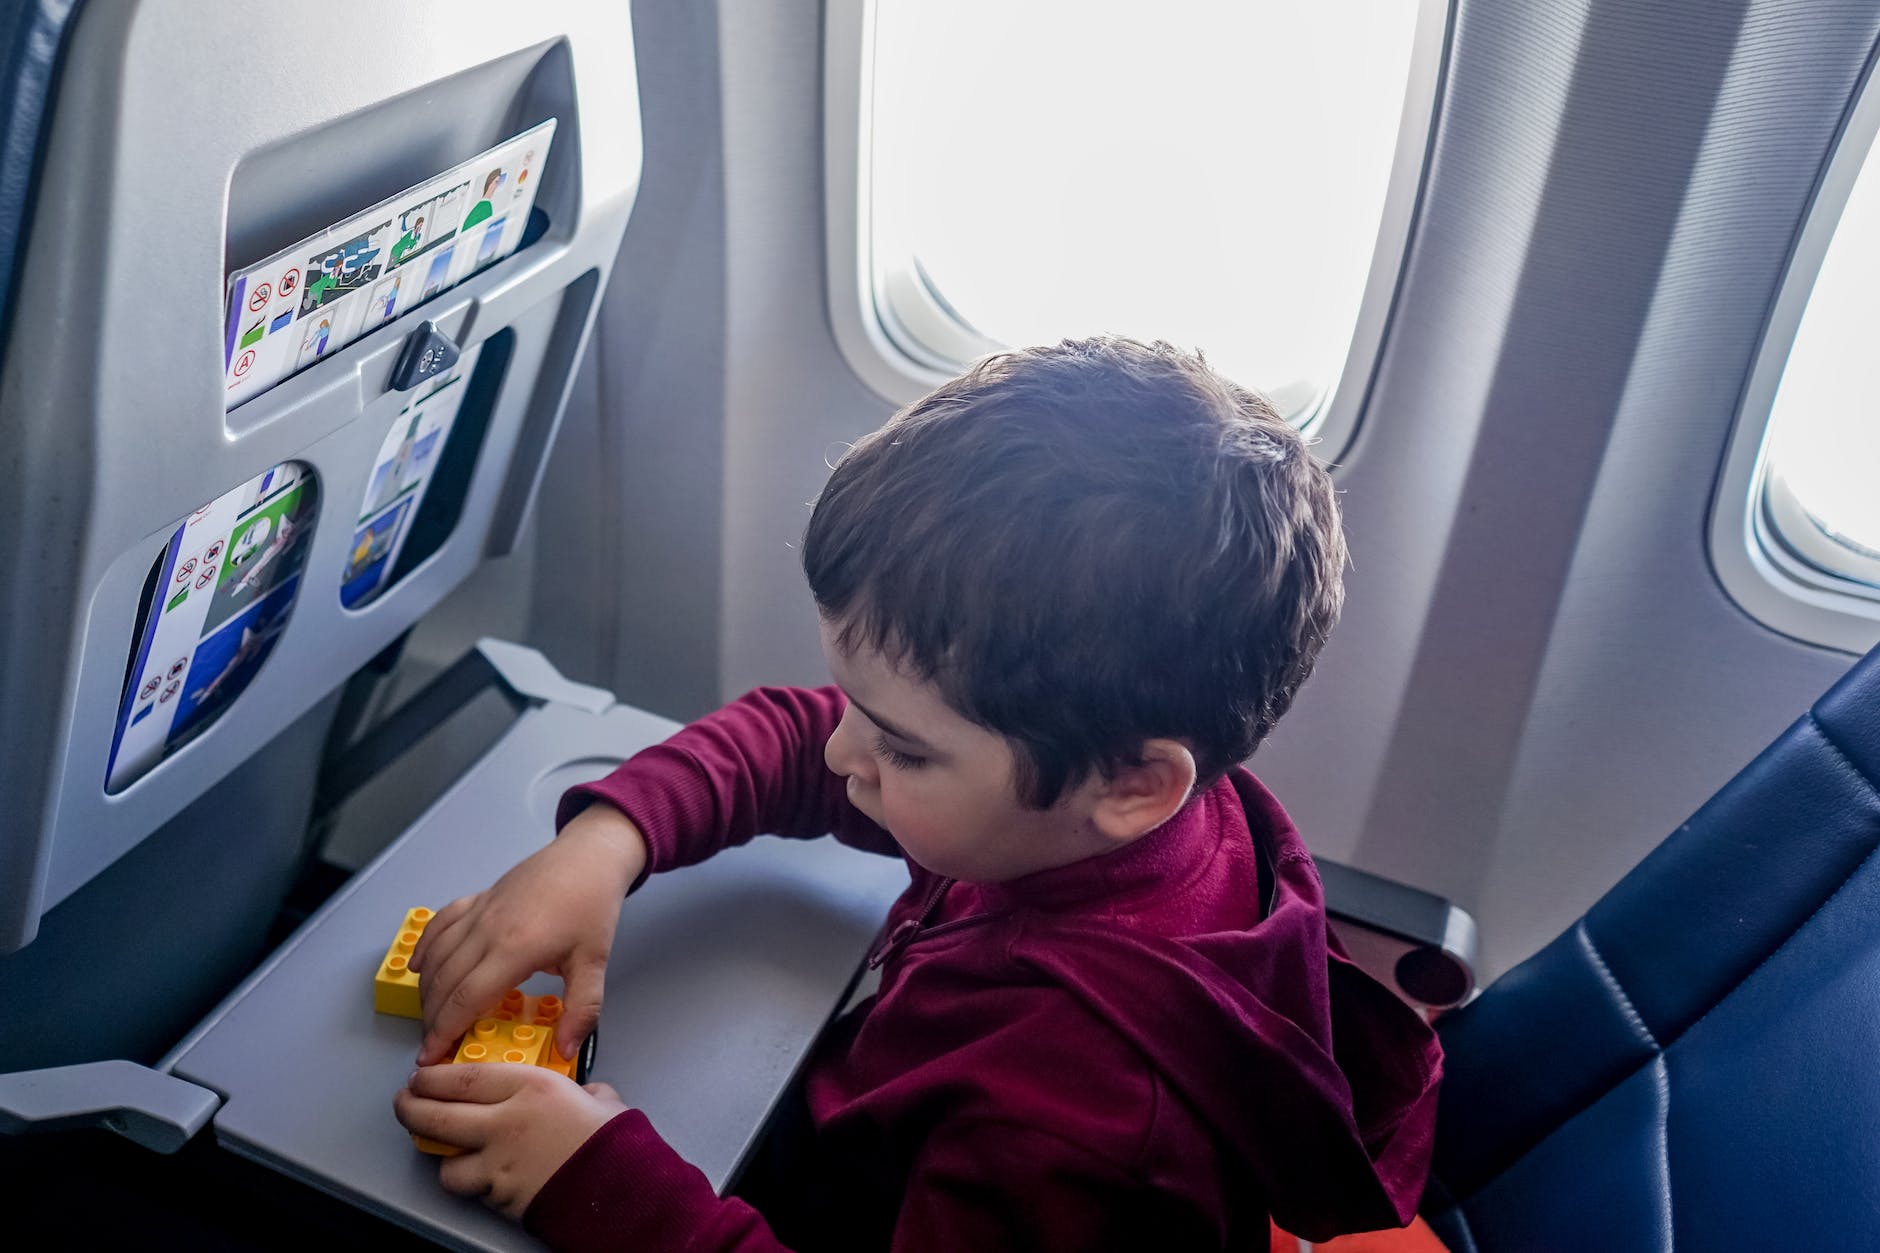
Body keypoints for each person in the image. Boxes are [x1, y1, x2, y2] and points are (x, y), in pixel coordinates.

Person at [393, 337, 1443, 1250]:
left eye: (900, 746)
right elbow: (800, 736)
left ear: (1130, 781)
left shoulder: (1072, 1128)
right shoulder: (1106, 819)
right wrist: (602, 846)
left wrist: (594, 1178)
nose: (844, 750)